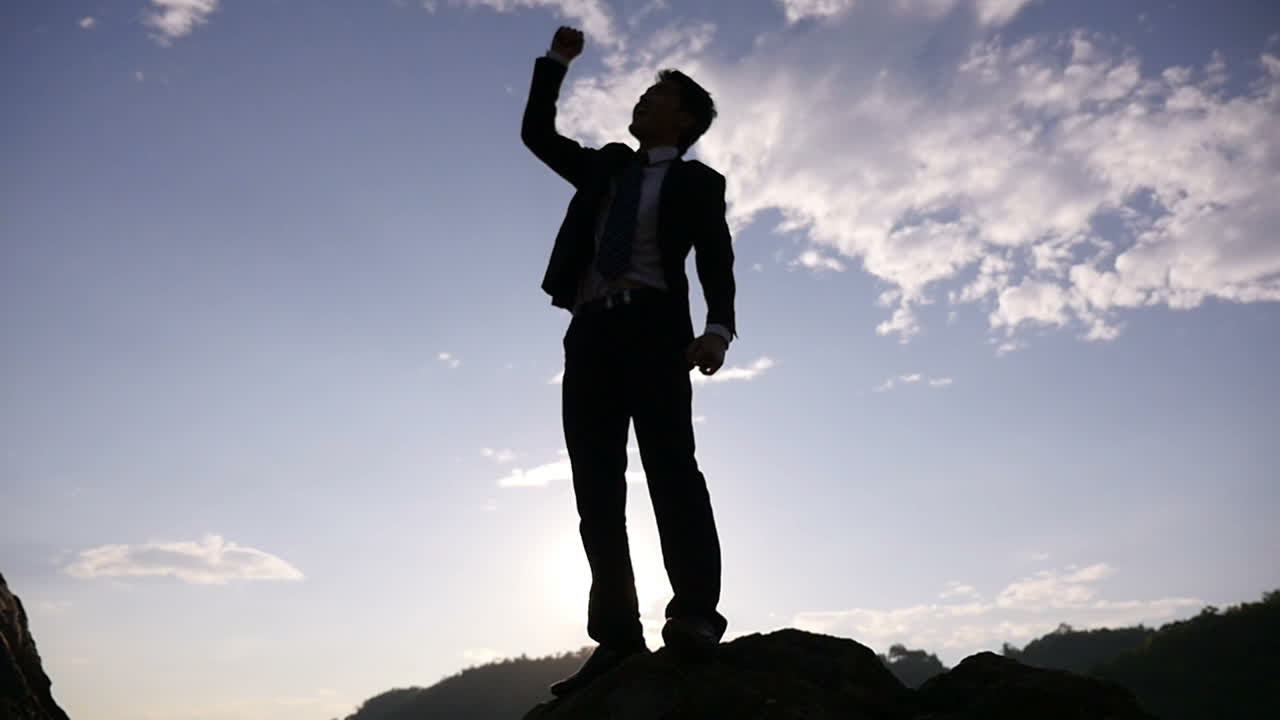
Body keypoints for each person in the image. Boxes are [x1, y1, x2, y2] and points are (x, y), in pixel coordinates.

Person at [520, 25, 739, 697]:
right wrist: (556, 64)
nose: (642, 99)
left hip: (655, 330)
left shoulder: (698, 182)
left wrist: (718, 330)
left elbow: (715, 257)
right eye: (644, 93)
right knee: (596, 489)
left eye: (657, 95)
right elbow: (537, 136)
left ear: (685, 119)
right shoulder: (606, 167)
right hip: (590, 332)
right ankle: (617, 637)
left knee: (672, 471)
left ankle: (695, 616)